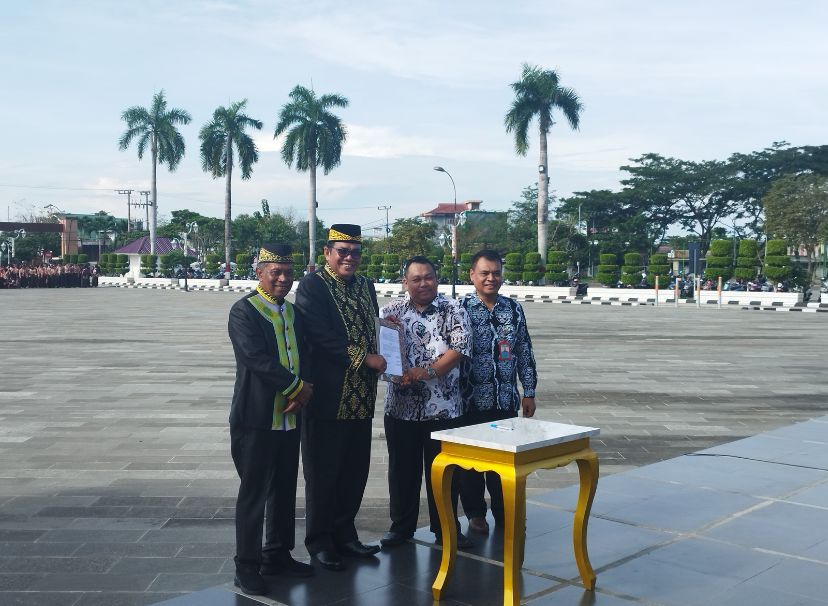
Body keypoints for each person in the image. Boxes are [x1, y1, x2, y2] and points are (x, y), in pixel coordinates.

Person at [295, 224, 386, 571]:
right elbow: (319, 335)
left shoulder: (366, 285)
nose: (349, 257)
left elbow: (372, 326)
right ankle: (320, 541)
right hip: (328, 396)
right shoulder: (313, 285)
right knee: (323, 472)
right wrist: (365, 357)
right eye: (342, 251)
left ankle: (345, 534)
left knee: (353, 470)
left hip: (361, 396)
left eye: (355, 252)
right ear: (327, 253)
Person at [227, 242, 315, 595]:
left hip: (289, 418)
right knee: (254, 492)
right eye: (275, 272)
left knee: (283, 488)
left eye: (288, 273)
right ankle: (246, 565)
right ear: (259, 273)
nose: (282, 279)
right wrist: (298, 388)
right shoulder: (244, 311)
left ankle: (276, 553)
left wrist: (303, 390)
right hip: (256, 416)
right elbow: (255, 359)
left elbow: (305, 352)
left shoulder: (292, 313)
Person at [379, 256, 473, 549]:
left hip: (443, 409)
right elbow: (382, 350)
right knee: (402, 472)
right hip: (400, 408)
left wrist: (427, 371)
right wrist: (397, 375)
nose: (423, 284)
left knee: (444, 475)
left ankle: (445, 528)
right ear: (405, 282)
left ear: (437, 278)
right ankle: (401, 527)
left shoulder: (453, 309)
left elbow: (459, 349)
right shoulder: (390, 312)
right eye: (416, 279)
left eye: (428, 277)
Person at [458, 249, 537, 534]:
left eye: (496, 273)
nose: (491, 278)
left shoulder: (513, 309)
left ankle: (505, 512)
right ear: (472, 275)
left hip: (505, 399)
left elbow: (524, 351)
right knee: (471, 463)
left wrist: (528, 391)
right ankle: (475, 513)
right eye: (485, 273)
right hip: (468, 400)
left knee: (503, 461)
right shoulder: (460, 308)